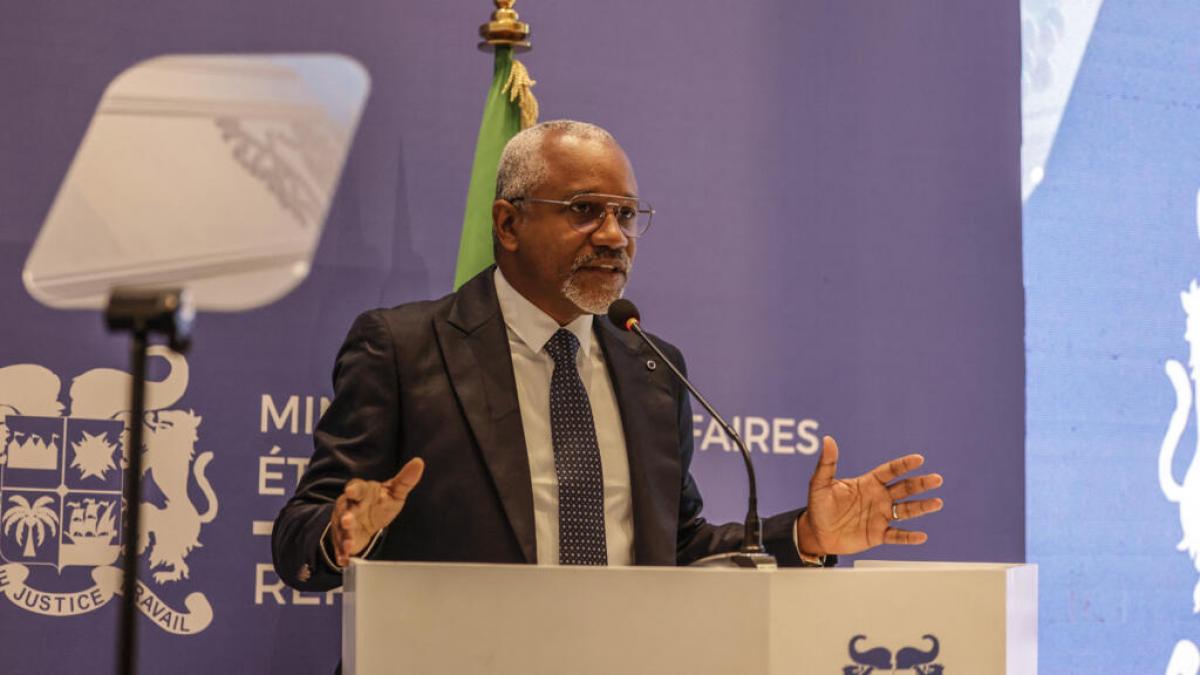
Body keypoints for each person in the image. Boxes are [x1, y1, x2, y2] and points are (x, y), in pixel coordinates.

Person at [272, 120, 943, 591]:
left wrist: (805, 536)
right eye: (584, 209)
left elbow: (675, 549)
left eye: (626, 214)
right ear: (508, 223)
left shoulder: (651, 367)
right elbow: (300, 534)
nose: (614, 236)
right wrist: (343, 530)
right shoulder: (403, 346)